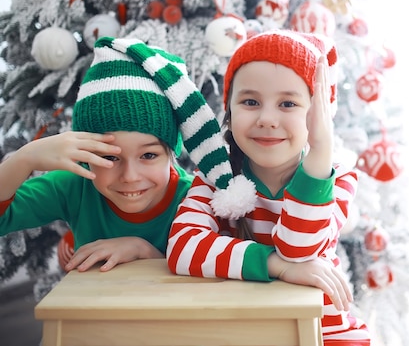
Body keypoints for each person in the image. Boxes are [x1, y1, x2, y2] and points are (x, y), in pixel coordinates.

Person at [167, 30, 371, 345]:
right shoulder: (218, 175)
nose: (267, 118)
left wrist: (319, 154)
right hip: (244, 327)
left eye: (288, 103)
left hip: (322, 332)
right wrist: (274, 264)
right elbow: (183, 248)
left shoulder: (334, 178)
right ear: (230, 110)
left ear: (318, 115)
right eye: (250, 101)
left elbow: (298, 249)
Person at [0, 36, 238, 273]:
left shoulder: (193, 201)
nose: (130, 177)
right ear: (85, 154)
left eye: (148, 156)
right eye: (109, 157)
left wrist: (143, 251)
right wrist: (26, 156)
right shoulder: (75, 188)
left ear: (171, 153)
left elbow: (213, 275)